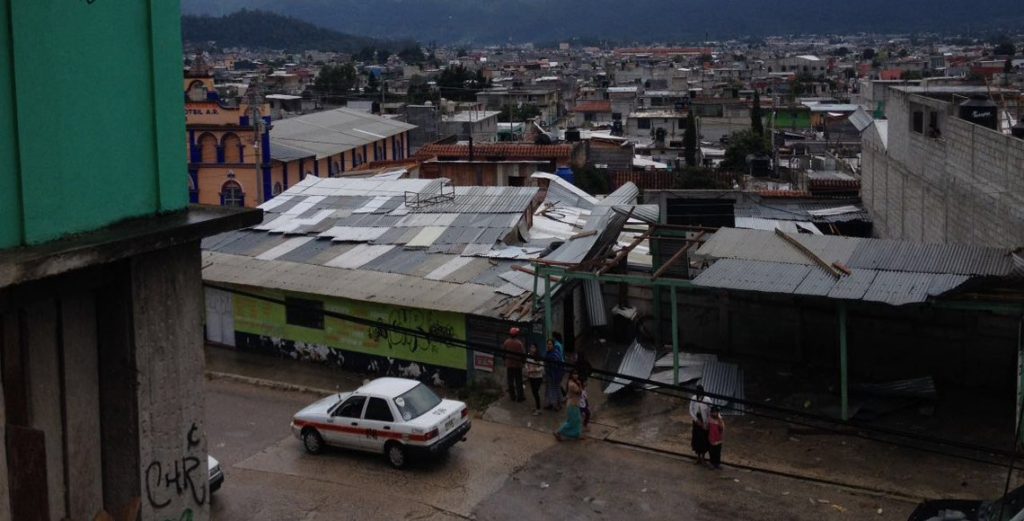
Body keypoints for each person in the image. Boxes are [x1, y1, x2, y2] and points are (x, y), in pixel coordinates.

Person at [555, 370, 584, 441]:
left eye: (577, 374)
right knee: (572, 421)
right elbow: (579, 392)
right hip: (572, 404)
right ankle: (559, 432)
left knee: (577, 420)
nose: (576, 375)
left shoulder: (573, 382)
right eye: (574, 374)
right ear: (571, 375)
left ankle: (577, 435)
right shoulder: (572, 384)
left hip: (574, 403)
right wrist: (580, 384)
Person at [689, 384, 712, 465]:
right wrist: (695, 419)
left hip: (704, 421)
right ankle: (698, 457)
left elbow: (709, 411)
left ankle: (703, 458)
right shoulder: (694, 398)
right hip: (696, 421)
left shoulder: (707, 399)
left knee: (704, 440)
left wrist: (707, 423)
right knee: (696, 439)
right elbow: (691, 410)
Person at [503, 327, 525, 402]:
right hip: (517, 365)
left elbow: (504, 352)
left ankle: (512, 396)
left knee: (510, 381)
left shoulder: (506, 342)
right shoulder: (519, 343)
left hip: (509, 365)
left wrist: (505, 360)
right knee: (519, 381)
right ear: (516, 335)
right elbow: (522, 354)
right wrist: (523, 362)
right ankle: (520, 397)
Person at [543, 339, 563, 411]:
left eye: (550, 344)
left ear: (553, 345)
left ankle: (555, 405)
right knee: (553, 389)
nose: (548, 345)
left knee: (553, 390)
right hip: (553, 375)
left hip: (554, 376)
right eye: (548, 344)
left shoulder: (553, 354)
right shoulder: (553, 353)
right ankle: (553, 403)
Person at [525, 344, 545, 415]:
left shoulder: (539, 357)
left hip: (538, 377)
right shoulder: (528, 356)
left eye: (533, 347)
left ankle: (538, 409)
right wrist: (528, 370)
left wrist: (535, 370)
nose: (532, 349)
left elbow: (542, 367)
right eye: (531, 347)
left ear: (536, 349)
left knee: (536, 392)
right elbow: (526, 364)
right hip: (531, 377)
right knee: (534, 392)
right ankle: (537, 407)